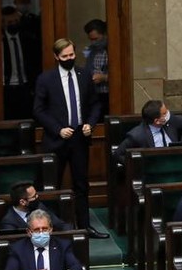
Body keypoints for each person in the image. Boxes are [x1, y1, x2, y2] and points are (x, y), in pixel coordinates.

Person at [32, 38, 107, 239]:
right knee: (52, 185)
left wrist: (90, 124)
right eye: (64, 56)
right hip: (56, 139)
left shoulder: (84, 75)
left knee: (81, 185)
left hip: (80, 138)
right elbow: (38, 110)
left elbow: (95, 104)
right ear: (56, 57)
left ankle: (85, 227)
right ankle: (52, 228)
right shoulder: (46, 79)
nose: (69, 58)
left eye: (72, 55)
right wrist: (58, 129)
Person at [113, 99, 182, 163]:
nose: (168, 114)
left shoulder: (171, 120)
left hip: (176, 163)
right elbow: (118, 154)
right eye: (164, 113)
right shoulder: (137, 135)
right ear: (157, 121)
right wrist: (138, 166)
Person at [4, 209, 83, 270]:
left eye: (45, 229)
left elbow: (76, 268)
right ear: (29, 232)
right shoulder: (17, 249)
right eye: (36, 230)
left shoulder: (63, 246)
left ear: (50, 230)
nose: (41, 233)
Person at [2, 6, 39, 120]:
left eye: (15, 21)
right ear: (3, 23)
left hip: (25, 88)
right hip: (7, 89)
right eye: (10, 22)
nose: (13, 24)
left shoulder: (28, 39)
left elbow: (34, 63)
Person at [0, 181, 72, 232]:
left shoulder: (39, 207)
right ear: (22, 202)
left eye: (36, 194)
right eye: (34, 196)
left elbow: (60, 224)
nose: (37, 197)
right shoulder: (9, 222)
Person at [83, 18, 109, 118]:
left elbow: (121, 76)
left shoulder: (112, 50)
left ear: (104, 34)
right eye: (91, 39)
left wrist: (104, 78)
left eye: (96, 39)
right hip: (93, 94)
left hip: (107, 95)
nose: (93, 42)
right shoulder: (91, 50)